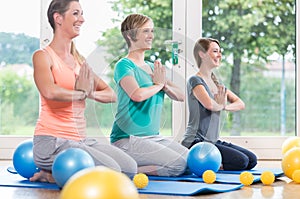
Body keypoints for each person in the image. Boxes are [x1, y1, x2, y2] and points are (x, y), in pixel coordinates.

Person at [30, 0, 137, 183]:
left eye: (82, 14)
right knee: (114, 171)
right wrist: (80, 92)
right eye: (76, 13)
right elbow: (49, 91)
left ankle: (53, 174)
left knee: (129, 168)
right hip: (51, 142)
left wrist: (89, 93)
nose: (82, 19)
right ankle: (53, 172)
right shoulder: (43, 56)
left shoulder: (79, 60)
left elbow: (111, 94)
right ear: (58, 18)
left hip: (80, 141)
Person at [110, 13, 188, 177]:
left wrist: (164, 85)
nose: (151, 36)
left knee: (190, 160)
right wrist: (158, 85)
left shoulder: (154, 68)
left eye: (152, 31)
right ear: (131, 35)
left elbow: (180, 96)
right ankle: (124, 170)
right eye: (146, 31)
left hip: (153, 138)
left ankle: (130, 167)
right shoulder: (124, 65)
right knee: (178, 165)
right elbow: (137, 95)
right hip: (127, 140)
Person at [181, 38, 257, 171]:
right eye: (215, 51)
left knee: (251, 160)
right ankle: (199, 163)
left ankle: (214, 163)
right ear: (202, 54)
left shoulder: (217, 84)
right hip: (195, 142)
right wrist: (220, 105)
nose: (219, 55)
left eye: (220, 52)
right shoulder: (195, 80)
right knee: (241, 161)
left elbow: (240, 103)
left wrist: (225, 106)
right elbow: (209, 104)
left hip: (213, 141)